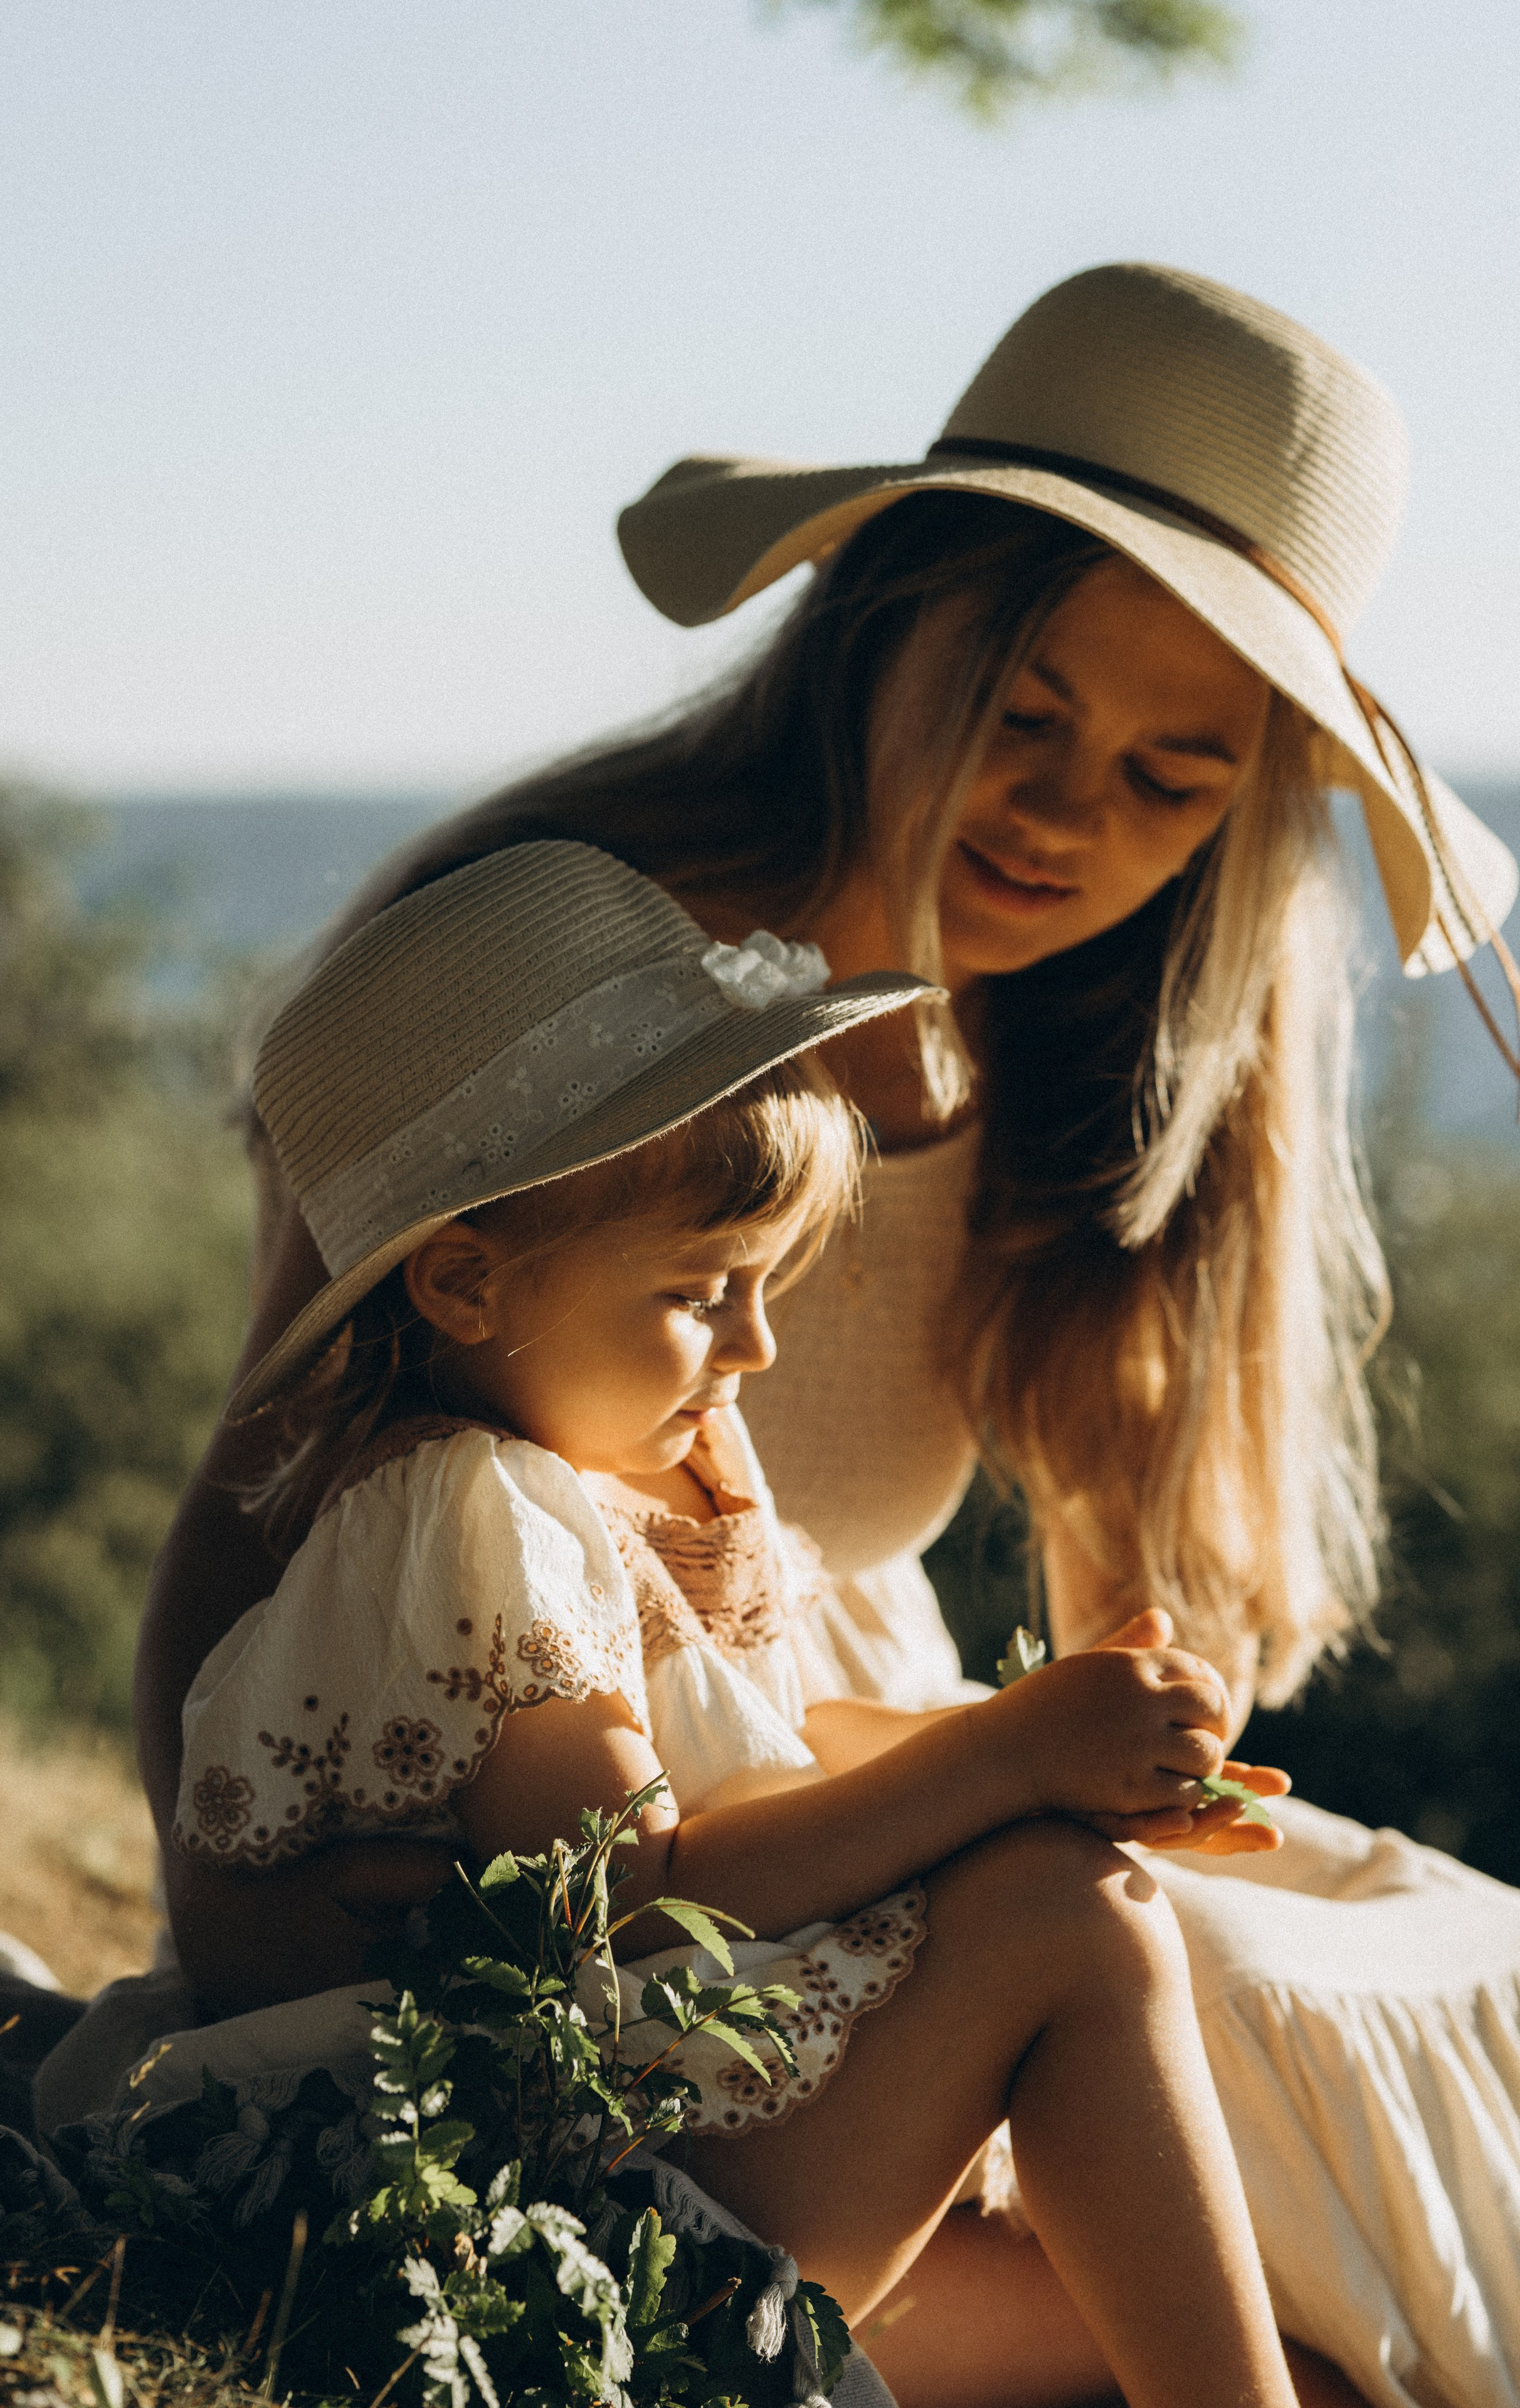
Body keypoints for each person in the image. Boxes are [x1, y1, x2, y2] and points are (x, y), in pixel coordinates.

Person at [126, 265, 1520, 2406]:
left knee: (1442, 1959)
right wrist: (226, 1910)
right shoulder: (552, 973)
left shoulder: (1117, 1046)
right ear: (891, 612)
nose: (1069, 820)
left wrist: (1131, 1741)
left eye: (1170, 781)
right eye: (1029, 709)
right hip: (673, 1879)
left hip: (835, 1781)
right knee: (1198, 2082)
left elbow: (1118, 1648)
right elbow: (279, 1504)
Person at [146, 837, 1305, 2408]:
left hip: (654, 2125)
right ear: (465, 1284)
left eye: (773, 1282)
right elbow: (631, 1894)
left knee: (1068, 1882)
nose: (754, 1345)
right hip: (524, 2196)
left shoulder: (652, 1459)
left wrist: (1049, 1745)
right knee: (1058, 1914)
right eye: (703, 1289)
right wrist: (1003, 1767)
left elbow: (776, 1743)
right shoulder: (471, 1516)